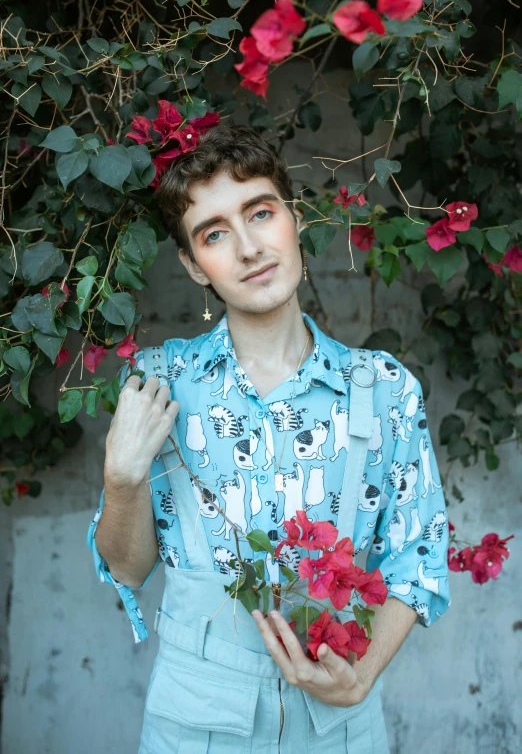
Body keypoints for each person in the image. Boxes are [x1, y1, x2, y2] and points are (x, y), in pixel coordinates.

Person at [87, 124, 451, 753]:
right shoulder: (160, 384)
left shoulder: (385, 388)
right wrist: (121, 481)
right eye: (215, 234)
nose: (250, 248)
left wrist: (360, 678)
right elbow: (129, 565)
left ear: (295, 219)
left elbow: (417, 562)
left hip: (338, 726)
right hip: (195, 726)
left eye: (260, 213)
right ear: (193, 265)